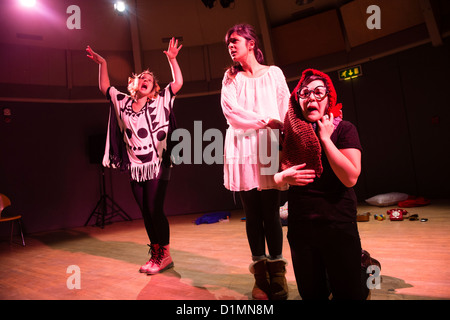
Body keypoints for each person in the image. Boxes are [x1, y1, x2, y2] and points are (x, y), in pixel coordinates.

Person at [86, 38, 183, 275]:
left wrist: (172, 60)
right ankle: (157, 253)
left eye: (150, 79)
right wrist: (103, 63)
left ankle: (165, 255)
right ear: (135, 84)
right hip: (135, 166)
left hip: (158, 163)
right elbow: (104, 87)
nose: (146, 80)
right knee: (145, 212)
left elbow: (178, 82)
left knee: (154, 208)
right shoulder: (123, 103)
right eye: (142, 78)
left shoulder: (162, 100)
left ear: (154, 87)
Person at [274, 68, 364, 299]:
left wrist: (325, 138)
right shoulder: (288, 135)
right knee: (312, 294)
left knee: (349, 293)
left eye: (318, 92)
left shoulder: (344, 129)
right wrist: (283, 178)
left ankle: (363, 266)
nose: (311, 97)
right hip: (301, 225)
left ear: (328, 99)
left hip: (337, 223)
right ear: (298, 101)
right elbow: (271, 179)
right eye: (304, 93)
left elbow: (350, 177)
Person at [220, 23, 290, 300]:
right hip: (241, 147)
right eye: (228, 43)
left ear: (251, 42)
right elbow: (231, 113)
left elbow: (285, 109)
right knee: (252, 213)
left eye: (235, 40)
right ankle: (260, 276)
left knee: (271, 212)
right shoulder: (230, 77)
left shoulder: (274, 73)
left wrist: (283, 134)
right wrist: (265, 122)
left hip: (270, 146)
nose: (230, 46)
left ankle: (278, 274)